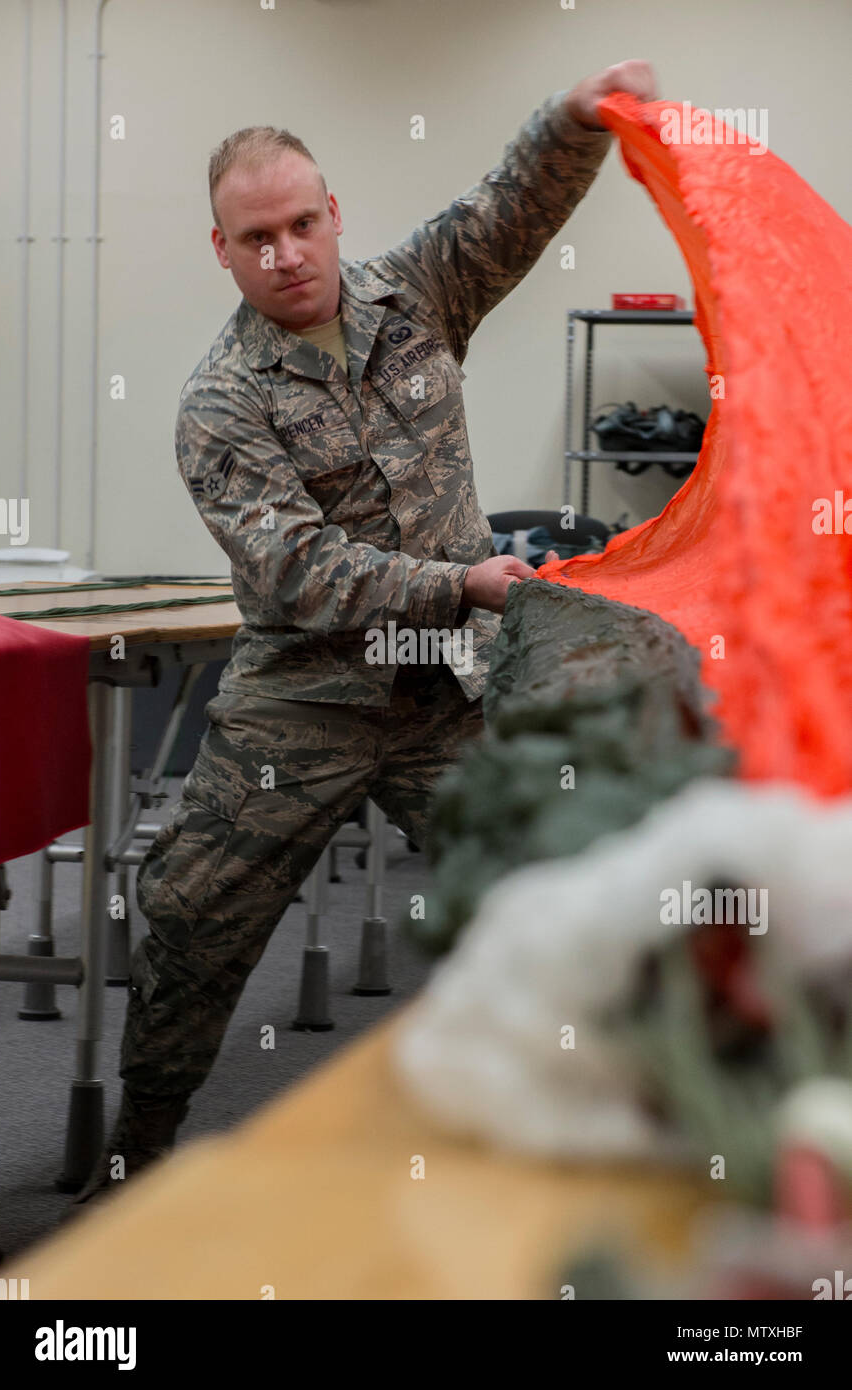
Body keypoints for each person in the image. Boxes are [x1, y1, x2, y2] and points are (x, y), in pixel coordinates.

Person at [76, 59, 658, 1204]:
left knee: (565, 887)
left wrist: (577, 116)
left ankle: (606, 1155)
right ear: (223, 252)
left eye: (302, 223)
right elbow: (300, 567)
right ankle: (132, 1168)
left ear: (334, 214)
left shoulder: (420, 291)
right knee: (192, 916)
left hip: (451, 692)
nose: (286, 253)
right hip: (307, 699)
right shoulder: (221, 399)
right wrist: (463, 585)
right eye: (257, 238)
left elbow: (513, 205)